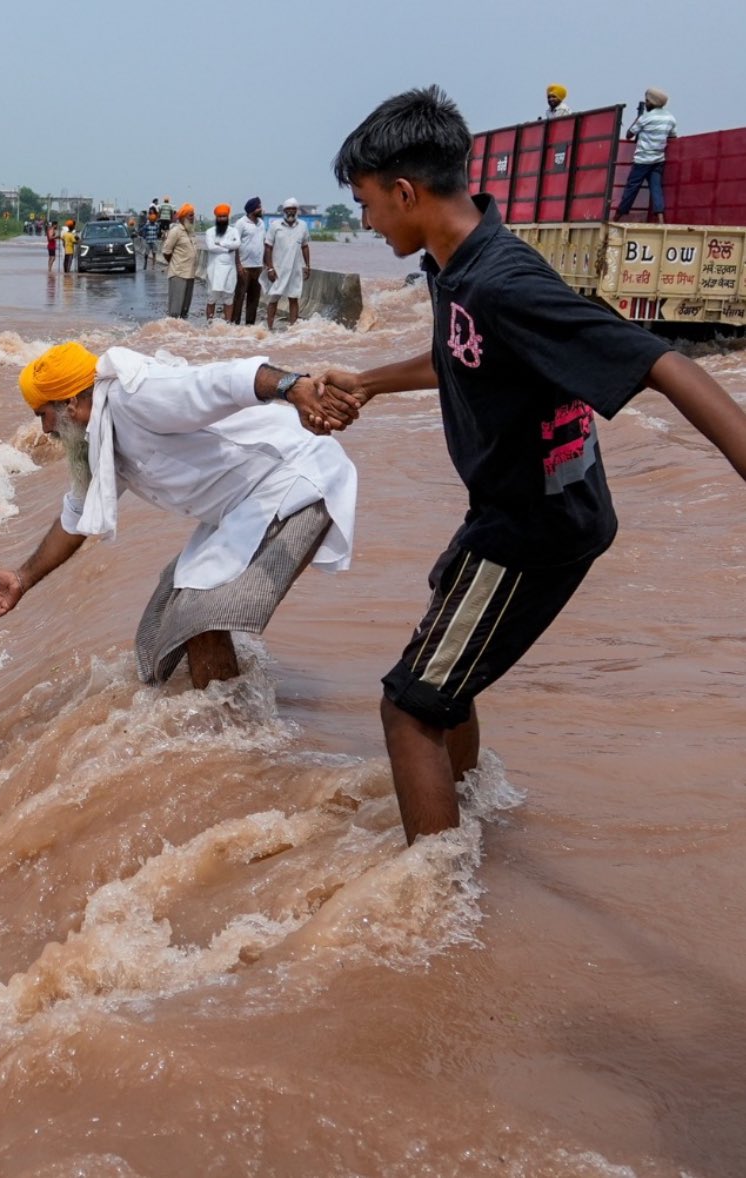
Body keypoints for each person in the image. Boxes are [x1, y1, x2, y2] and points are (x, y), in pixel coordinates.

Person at [318, 84, 746, 846]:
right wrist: (371, 382)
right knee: (445, 652)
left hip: (535, 524)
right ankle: (468, 811)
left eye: (368, 203)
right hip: (518, 508)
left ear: (407, 192)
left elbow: (661, 364)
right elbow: (461, 354)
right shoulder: (457, 262)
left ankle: (434, 899)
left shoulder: (505, 282)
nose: (368, 221)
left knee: (410, 707)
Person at [0, 341, 357, 688]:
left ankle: (227, 731)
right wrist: (22, 580)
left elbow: (223, 380)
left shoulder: (137, 395)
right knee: (163, 620)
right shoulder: (98, 436)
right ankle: (223, 709)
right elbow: (76, 518)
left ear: (71, 404)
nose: (44, 430)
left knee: (199, 613)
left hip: (296, 480)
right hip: (242, 506)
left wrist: (293, 386)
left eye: (43, 415)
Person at [614, 88, 677, 224]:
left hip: (642, 160)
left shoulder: (646, 118)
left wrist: (638, 118)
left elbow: (629, 134)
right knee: (656, 188)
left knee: (632, 188)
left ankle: (618, 216)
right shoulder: (670, 118)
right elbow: (672, 136)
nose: (646, 103)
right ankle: (660, 219)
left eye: (647, 101)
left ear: (652, 102)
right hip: (659, 159)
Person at [262, 199, 311, 330]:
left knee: (293, 298)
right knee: (273, 299)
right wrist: (270, 268)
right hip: (278, 269)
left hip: (295, 269)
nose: (291, 211)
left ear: (297, 211)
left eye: (293, 209)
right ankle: (269, 328)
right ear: (283, 211)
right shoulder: (275, 226)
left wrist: (307, 265)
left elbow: (305, 246)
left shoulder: (303, 226)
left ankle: (293, 329)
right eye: (288, 209)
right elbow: (268, 247)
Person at [202, 203, 241, 323]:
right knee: (211, 298)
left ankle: (227, 324)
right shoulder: (210, 232)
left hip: (230, 269)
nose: (222, 218)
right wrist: (228, 248)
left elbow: (237, 244)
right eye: (220, 216)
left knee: (229, 297)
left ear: (227, 217)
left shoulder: (234, 231)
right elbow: (211, 247)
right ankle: (209, 324)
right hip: (214, 269)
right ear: (216, 218)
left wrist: (221, 244)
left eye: (224, 216)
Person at [231, 197, 266, 326]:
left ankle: (250, 324)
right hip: (245, 267)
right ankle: (235, 323)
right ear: (252, 210)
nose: (261, 209)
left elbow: (263, 243)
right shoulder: (241, 223)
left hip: (258, 267)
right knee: (239, 296)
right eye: (259, 207)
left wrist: (266, 264)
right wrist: (238, 265)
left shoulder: (261, 223)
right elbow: (235, 245)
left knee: (254, 298)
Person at [163, 204, 198, 319]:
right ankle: (171, 334)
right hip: (178, 274)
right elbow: (166, 251)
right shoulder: (176, 231)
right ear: (183, 217)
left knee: (185, 310)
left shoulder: (190, 231)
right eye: (190, 215)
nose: (193, 218)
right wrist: (175, 264)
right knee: (175, 311)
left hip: (190, 274)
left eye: (193, 215)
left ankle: (181, 335)